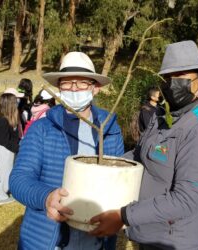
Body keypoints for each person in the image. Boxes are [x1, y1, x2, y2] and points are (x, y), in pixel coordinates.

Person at [88, 40, 198, 250]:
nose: (173, 83)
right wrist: (109, 165)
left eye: (181, 77)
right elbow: (140, 153)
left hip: (173, 240)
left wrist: (123, 216)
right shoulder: (162, 116)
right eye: (168, 78)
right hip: (148, 231)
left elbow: (187, 199)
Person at [9, 51, 125, 250]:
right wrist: (46, 197)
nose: (74, 89)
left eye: (82, 83)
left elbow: (120, 180)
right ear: (59, 88)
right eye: (67, 83)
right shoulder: (42, 129)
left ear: (95, 88)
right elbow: (19, 179)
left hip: (96, 239)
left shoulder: (109, 129)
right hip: (48, 240)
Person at [0, 93, 20, 205]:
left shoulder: (8, 118)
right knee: (1, 172)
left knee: (7, 172)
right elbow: (3, 140)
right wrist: (17, 148)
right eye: (15, 102)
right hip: (2, 150)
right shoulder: (2, 120)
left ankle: (4, 192)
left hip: (8, 150)